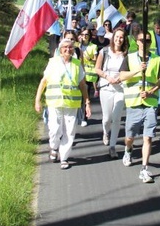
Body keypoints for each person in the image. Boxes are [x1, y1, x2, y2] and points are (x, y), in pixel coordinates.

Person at [34, 37, 92, 170]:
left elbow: (82, 85)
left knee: (70, 131)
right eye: (65, 47)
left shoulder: (77, 64)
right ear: (60, 50)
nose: (67, 49)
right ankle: (54, 148)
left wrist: (87, 102)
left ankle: (64, 157)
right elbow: (44, 81)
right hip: (55, 102)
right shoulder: (53, 63)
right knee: (54, 129)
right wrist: (37, 100)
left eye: (70, 47)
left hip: (72, 104)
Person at [118, 31, 160, 183]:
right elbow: (122, 76)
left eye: (148, 41)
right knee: (130, 136)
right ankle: (128, 150)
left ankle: (144, 168)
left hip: (150, 104)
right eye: (142, 40)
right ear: (136, 42)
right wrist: (138, 69)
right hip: (134, 104)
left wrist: (151, 91)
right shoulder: (130, 58)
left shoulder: (157, 59)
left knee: (148, 137)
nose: (145, 43)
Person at [94, 27, 128, 158]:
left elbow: (128, 72)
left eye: (121, 37)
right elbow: (97, 69)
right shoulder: (104, 51)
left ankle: (112, 146)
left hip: (120, 88)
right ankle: (105, 131)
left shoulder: (126, 54)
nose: (119, 39)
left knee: (116, 118)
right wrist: (107, 77)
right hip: (107, 86)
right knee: (107, 118)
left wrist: (120, 79)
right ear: (113, 37)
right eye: (117, 37)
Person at [78, 28, 98, 126]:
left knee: (85, 97)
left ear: (90, 36)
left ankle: (84, 117)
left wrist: (89, 58)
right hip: (78, 73)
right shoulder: (78, 46)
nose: (85, 36)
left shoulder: (93, 46)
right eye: (83, 34)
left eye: (87, 34)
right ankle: (79, 115)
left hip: (89, 74)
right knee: (79, 96)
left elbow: (96, 60)